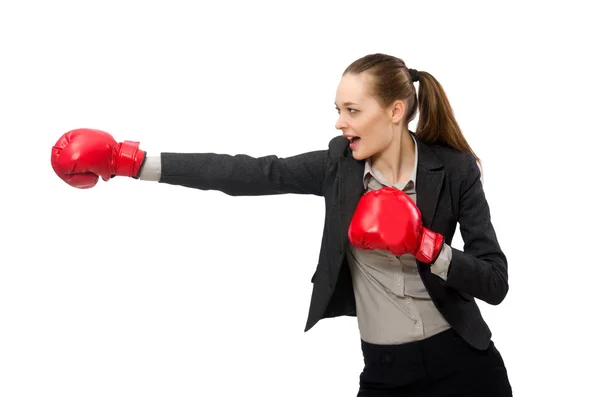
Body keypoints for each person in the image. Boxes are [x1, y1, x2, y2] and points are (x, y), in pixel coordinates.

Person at [51, 53, 512, 396]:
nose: (339, 123)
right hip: (386, 370)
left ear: (394, 111)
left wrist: (428, 247)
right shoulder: (338, 168)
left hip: (466, 364)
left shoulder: (453, 170)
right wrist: (133, 162)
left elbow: (495, 280)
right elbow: (248, 172)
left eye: (352, 111)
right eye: (338, 108)